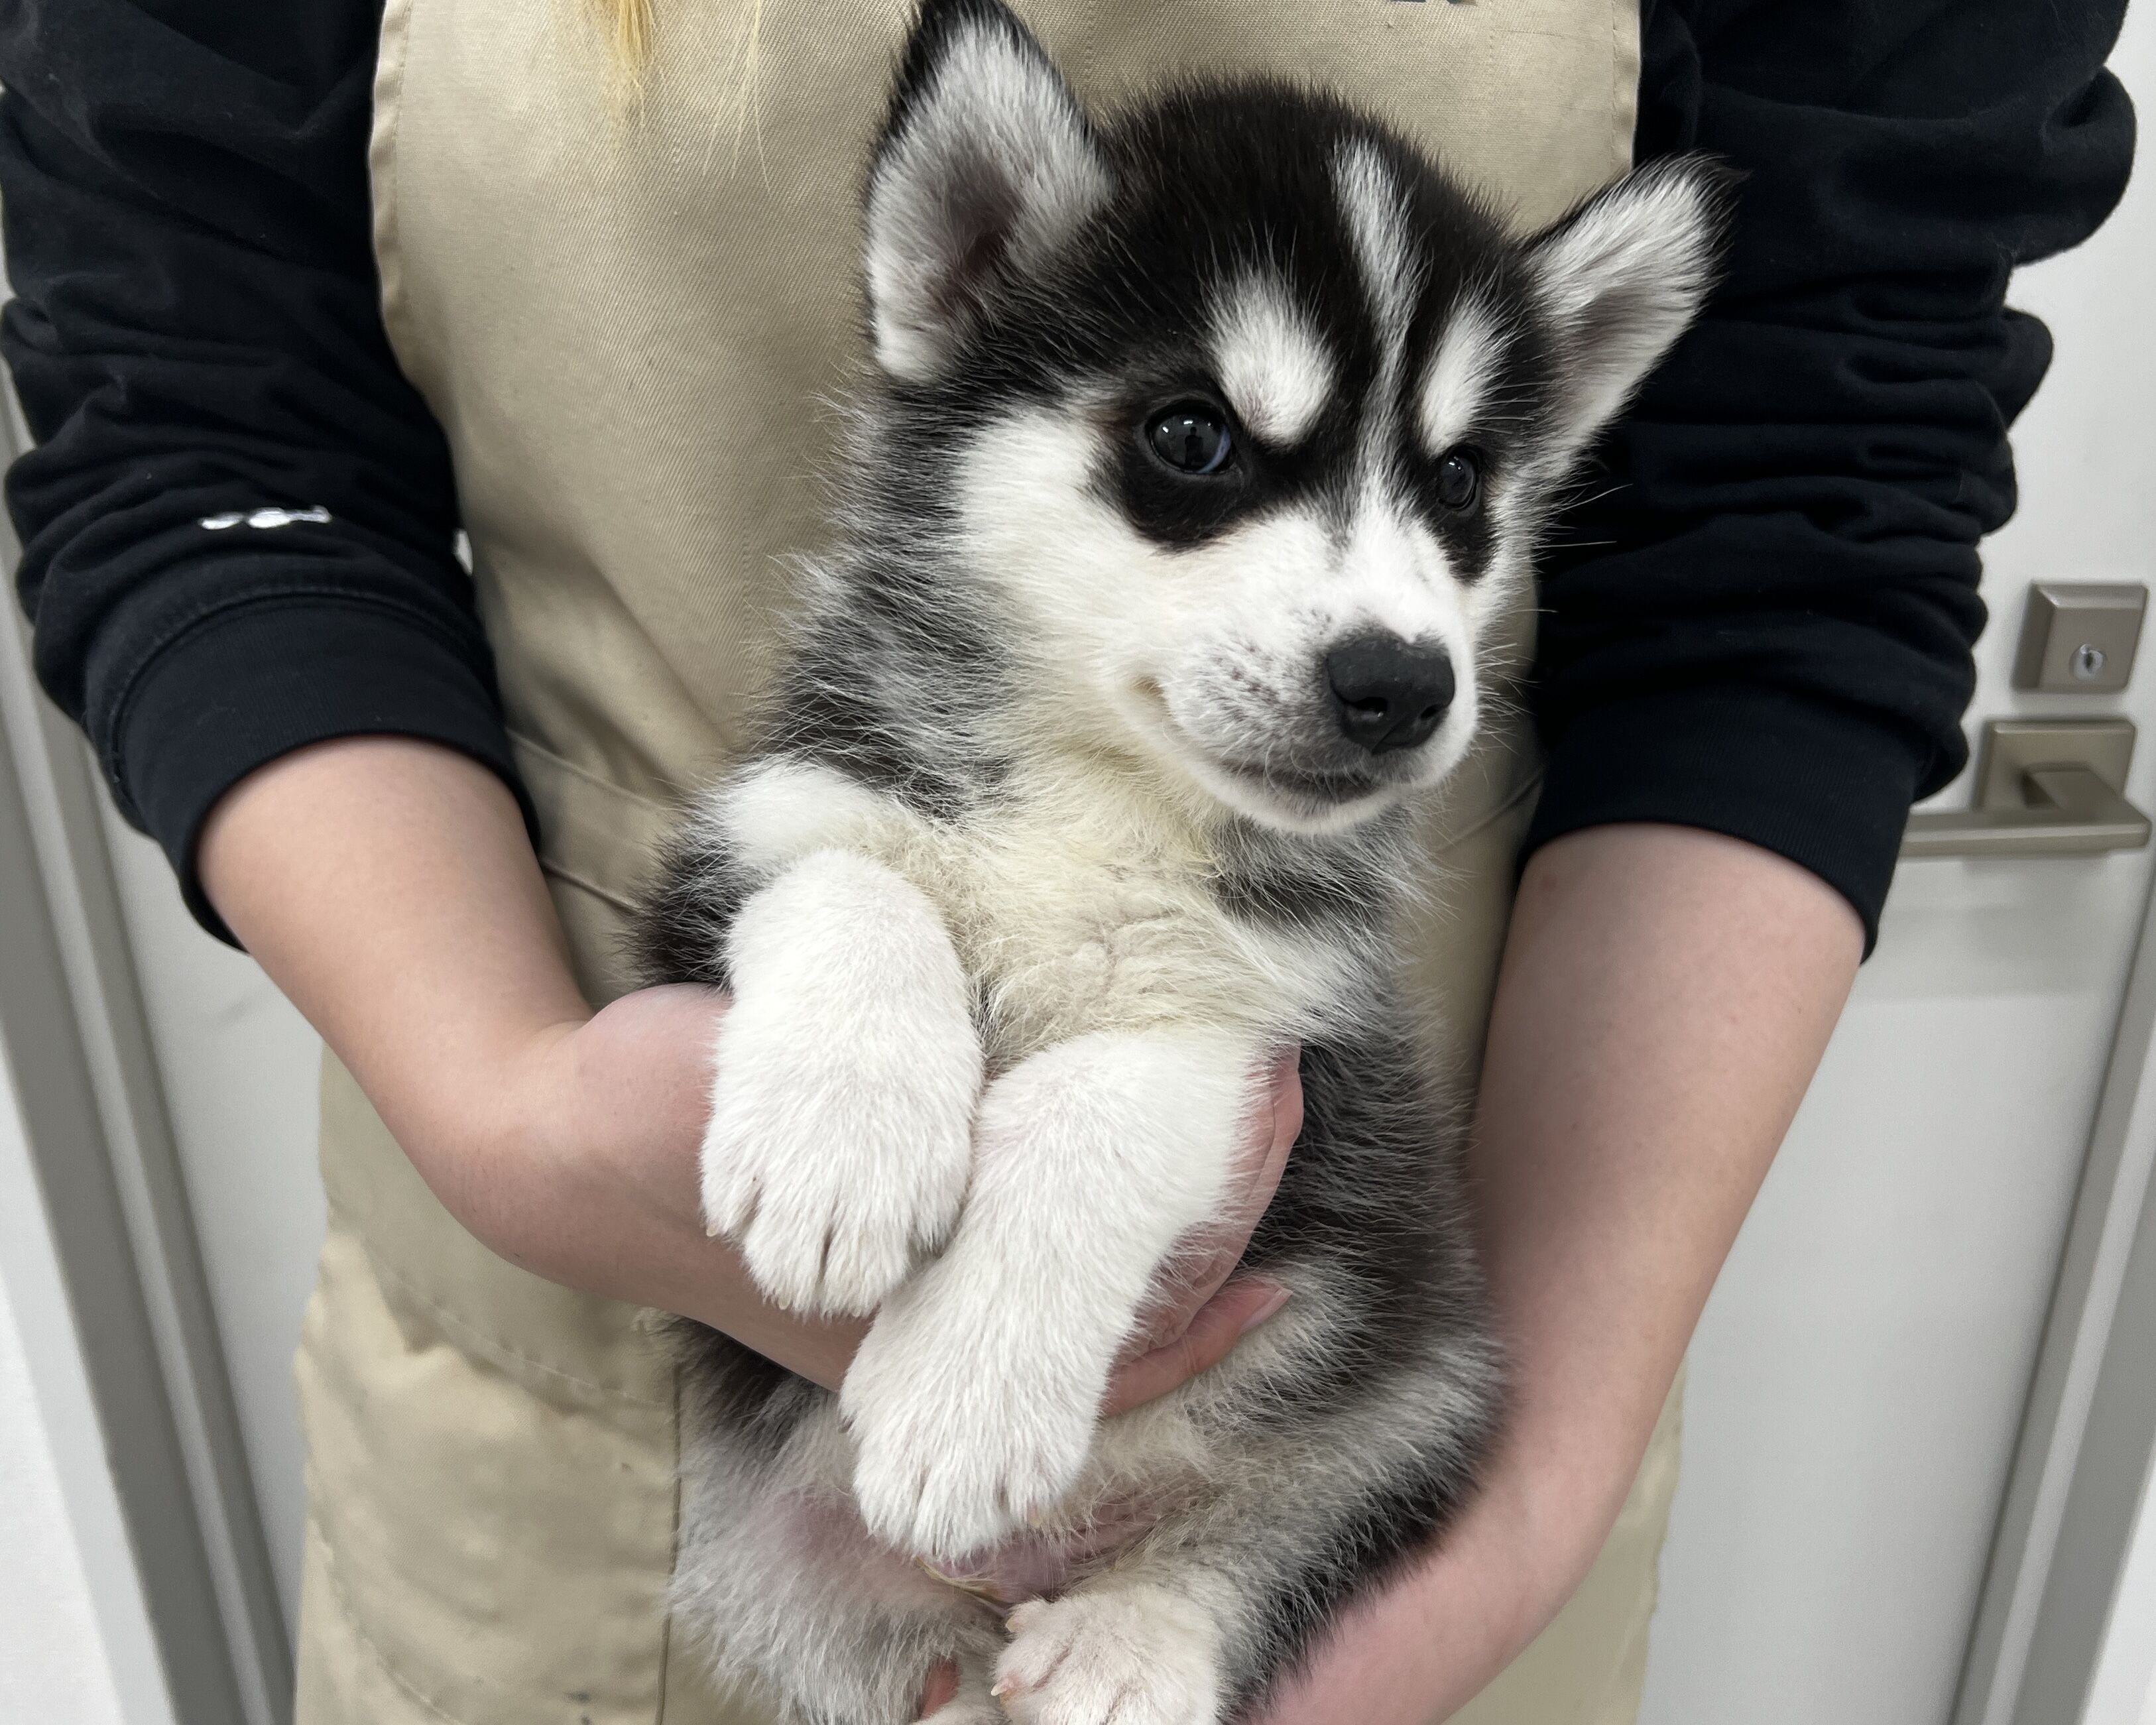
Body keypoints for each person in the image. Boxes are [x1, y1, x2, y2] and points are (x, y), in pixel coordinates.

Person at [0, 2, 2133, 1722]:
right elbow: (191, 425)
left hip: (1339, 1452)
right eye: (1197, 449)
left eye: (1463, 484)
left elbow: (1812, 511)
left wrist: (1502, 1523)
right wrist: (518, 1111)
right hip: (589, 1420)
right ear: (959, 274)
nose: (1388, 616)